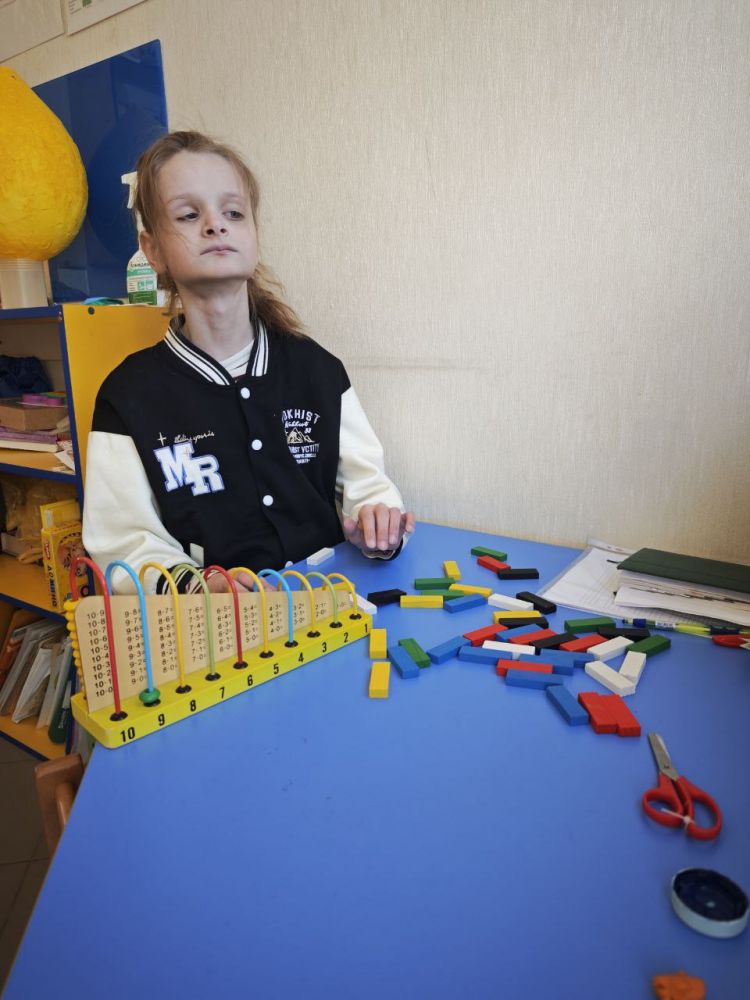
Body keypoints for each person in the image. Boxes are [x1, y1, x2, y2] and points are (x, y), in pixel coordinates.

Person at [82, 130, 414, 594]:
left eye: (233, 213)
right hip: (215, 626)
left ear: (254, 234)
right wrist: (199, 588)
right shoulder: (127, 396)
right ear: (152, 249)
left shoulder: (317, 370)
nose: (215, 225)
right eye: (189, 214)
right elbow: (124, 543)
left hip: (334, 605)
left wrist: (377, 522)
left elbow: (367, 487)